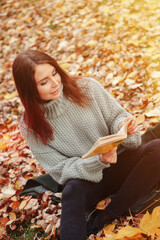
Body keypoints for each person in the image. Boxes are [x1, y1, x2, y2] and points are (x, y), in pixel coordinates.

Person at [12, 49, 160, 240]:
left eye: (54, 73)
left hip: (123, 163)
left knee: (157, 148)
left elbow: (116, 117)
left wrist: (125, 127)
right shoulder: (30, 127)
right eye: (44, 82)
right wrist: (98, 160)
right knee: (71, 193)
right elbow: (60, 170)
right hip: (89, 179)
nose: (55, 83)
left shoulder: (87, 87)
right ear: (29, 89)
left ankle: (109, 213)